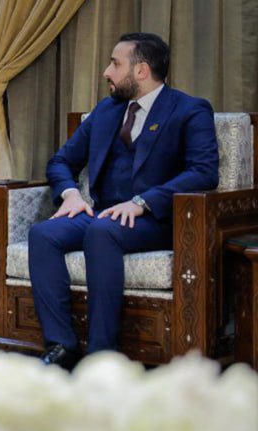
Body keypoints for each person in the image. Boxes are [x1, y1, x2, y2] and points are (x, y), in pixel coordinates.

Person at [29, 32, 218, 370]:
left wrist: (143, 201)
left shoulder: (190, 110)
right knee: (43, 234)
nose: (106, 72)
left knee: (101, 232)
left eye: (115, 64)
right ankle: (61, 346)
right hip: (103, 214)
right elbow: (61, 161)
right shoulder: (106, 110)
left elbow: (204, 172)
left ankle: (102, 355)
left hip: (156, 219)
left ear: (141, 70)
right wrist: (71, 194)